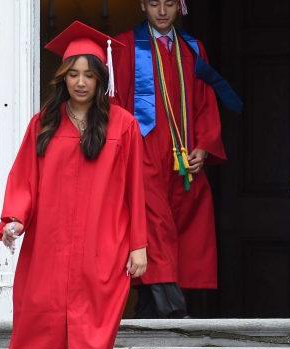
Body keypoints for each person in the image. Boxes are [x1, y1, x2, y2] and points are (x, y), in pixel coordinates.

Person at [0, 21, 148, 349]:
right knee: (57, 312)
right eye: (73, 74)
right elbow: (25, 178)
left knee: (96, 327)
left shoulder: (123, 125)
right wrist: (14, 218)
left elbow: (135, 189)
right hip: (54, 242)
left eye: (89, 75)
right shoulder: (43, 124)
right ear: (63, 78)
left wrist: (138, 245)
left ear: (100, 80)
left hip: (104, 242)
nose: (81, 82)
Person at [112, 0, 241, 318]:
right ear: (143, 5)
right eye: (154, 3)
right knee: (153, 223)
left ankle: (149, 305)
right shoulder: (125, 46)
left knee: (185, 222)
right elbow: (115, 101)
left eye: (169, 3)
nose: (161, 10)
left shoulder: (193, 48)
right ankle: (172, 307)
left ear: (180, 6)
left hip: (183, 154)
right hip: (142, 150)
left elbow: (205, 100)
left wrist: (204, 145)